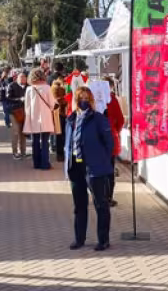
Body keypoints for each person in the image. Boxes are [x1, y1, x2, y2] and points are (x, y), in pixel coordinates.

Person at [65, 86, 114, 251]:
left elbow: (109, 143)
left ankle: (103, 240)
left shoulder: (99, 119)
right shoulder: (70, 119)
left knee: (100, 204)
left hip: (94, 167)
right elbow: (68, 144)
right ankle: (79, 238)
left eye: (87, 98)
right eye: (80, 98)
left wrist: (102, 161)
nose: (84, 101)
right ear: (75, 101)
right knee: (79, 205)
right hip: (76, 167)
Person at [24, 68, 56, 169]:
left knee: (35, 141)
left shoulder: (29, 89)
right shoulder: (47, 88)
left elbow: (27, 106)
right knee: (45, 141)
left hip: (34, 117)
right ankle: (45, 163)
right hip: (46, 117)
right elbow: (52, 104)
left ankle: (36, 163)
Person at [104, 78, 126, 207]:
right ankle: (108, 197)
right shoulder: (112, 99)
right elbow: (120, 119)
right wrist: (115, 131)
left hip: (96, 141)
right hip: (110, 138)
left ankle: (98, 195)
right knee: (109, 169)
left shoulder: (93, 99)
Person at [6, 70, 28, 158]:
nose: (23, 79)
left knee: (23, 132)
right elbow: (8, 97)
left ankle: (23, 151)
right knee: (15, 131)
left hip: (25, 112)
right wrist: (19, 99)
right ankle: (15, 152)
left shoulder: (28, 87)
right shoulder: (11, 85)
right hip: (14, 112)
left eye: (24, 77)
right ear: (17, 78)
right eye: (21, 77)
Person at [51, 79, 69, 163]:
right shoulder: (63, 91)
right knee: (64, 135)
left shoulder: (52, 91)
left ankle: (59, 155)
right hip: (63, 114)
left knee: (58, 135)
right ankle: (64, 153)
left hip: (56, 114)